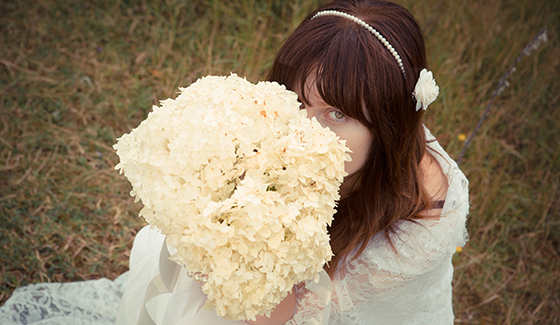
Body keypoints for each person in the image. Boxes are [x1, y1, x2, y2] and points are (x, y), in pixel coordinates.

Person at [0, 0, 468, 324]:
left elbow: (265, 313)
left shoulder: (420, 220)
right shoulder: (283, 139)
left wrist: (217, 240)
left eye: (338, 114)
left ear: (386, 128)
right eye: (298, 99)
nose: (303, 127)